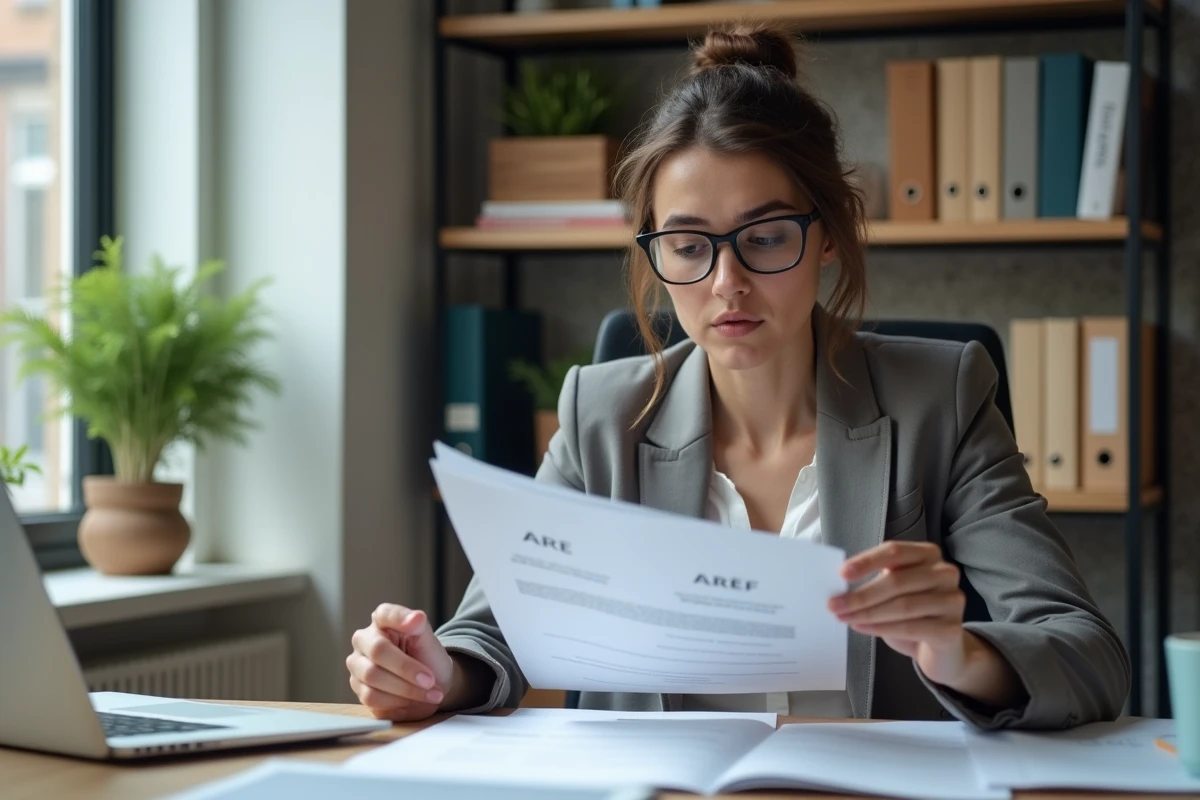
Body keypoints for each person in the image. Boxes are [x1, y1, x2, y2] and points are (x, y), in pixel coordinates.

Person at [347, 23, 1129, 730]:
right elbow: (490, 633)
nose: (727, 282)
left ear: (828, 236)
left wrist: (955, 653)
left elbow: (1087, 654)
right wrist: (431, 671)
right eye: (689, 245)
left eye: (765, 235)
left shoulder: (943, 398)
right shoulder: (600, 416)